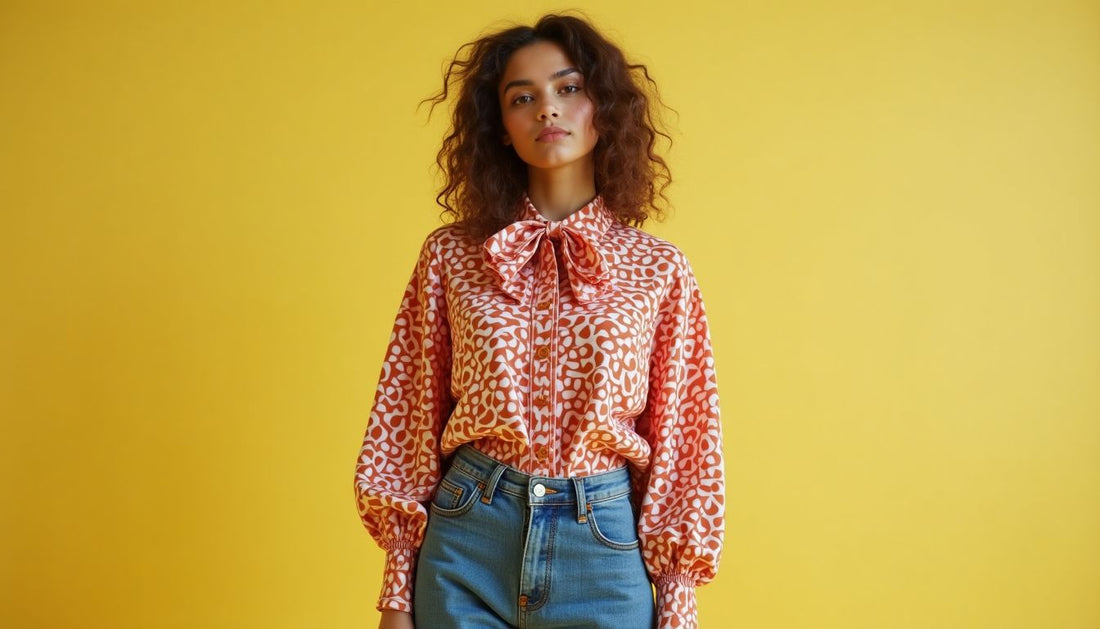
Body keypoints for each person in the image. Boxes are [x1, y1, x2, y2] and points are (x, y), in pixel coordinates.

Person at [354, 11, 725, 629]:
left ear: (602, 107)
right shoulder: (450, 255)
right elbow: (407, 416)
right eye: (522, 98)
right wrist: (396, 593)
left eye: (568, 88)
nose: (547, 109)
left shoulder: (659, 269)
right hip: (467, 539)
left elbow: (687, 442)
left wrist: (679, 603)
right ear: (500, 128)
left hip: (602, 551)